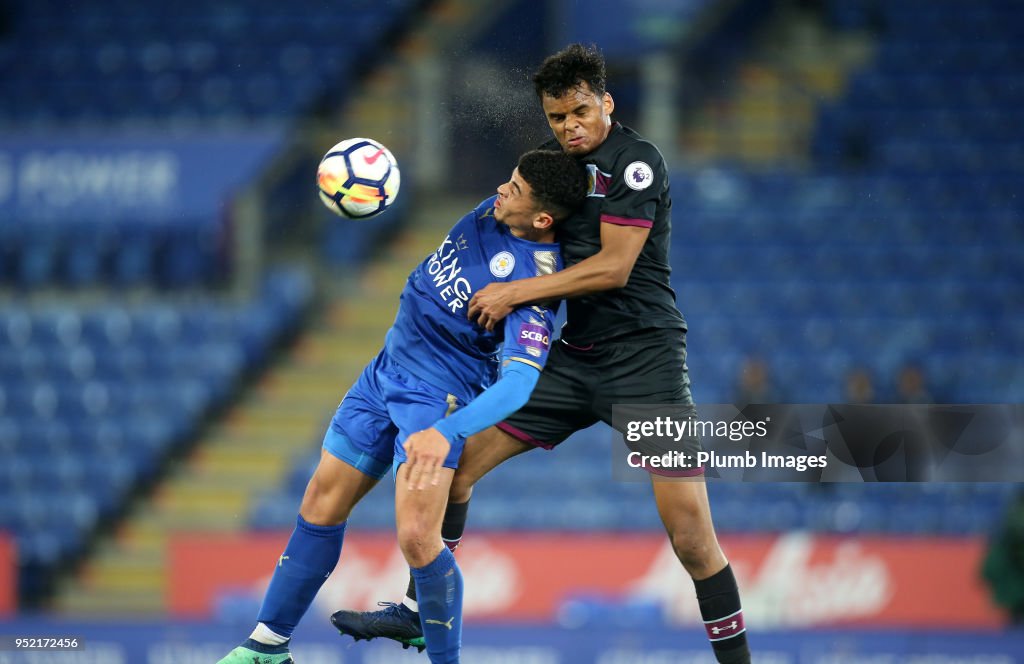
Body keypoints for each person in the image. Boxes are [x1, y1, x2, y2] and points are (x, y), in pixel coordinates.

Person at [332, 43, 751, 663]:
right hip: (573, 355)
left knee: (690, 536)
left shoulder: (636, 164)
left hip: (645, 361)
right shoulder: (553, 171)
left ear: (606, 102)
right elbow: (506, 224)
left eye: (581, 111)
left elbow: (614, 267)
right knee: (456, 462)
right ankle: (420, 614)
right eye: (557, 118)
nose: (570, 127)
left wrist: (517, 293)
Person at [215, 149, 589, 664]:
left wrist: (449, 430)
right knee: (321, 501)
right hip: (386, 368)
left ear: (543, 219)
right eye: (509, 179)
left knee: (417, 539)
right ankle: (267, 647)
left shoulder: (533, 285)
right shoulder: (496, 209)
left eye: (516, 190)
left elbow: (520, 385)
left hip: (435, 400)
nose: (502, 189)